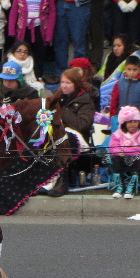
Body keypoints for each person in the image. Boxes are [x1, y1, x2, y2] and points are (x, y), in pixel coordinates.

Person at [43, 67, 94, 196]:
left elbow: (81, 125)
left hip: (78, 139)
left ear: (76, 85)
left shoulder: (85, 101)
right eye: (63, 82)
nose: (64, 86)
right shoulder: (56, 97)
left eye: (68, 83)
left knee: (65, 141)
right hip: (56, 133)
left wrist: (63, 110)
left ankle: (61, 182)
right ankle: (46, 180)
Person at [108, 106, 140, 199]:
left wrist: (127, 150)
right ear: (124, 123)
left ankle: (130, 188)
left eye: (135, 121)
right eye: (130, 122)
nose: (133, 124)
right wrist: (119, 152)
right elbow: (112, 148)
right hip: (122, 160)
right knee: (114, 157)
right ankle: (120, 187)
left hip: (137, 161)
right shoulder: (117, 134)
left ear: (139, 122)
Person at [96, 33, 140, 109]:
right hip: (110, 89)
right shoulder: (111, 57)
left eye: (119, 45)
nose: (116, 48)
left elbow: (123, 80)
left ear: (126, 45)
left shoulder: (134, 57)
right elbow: (103, 74)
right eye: (114, 46)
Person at [52, 0, 95, 74]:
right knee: (60, 41)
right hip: (60, 2)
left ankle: (78, 74)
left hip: (79, 5)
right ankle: (61, 74)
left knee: (79, 42)